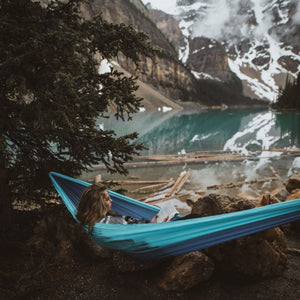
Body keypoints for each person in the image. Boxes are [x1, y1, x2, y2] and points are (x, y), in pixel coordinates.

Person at [76, 183, 168, 234]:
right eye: (107, 199)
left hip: (148, 226)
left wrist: (151, 224)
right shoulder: (109, 222)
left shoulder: (90, 220)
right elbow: (140, 233)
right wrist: (157, 227)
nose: (111, 201)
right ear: (98, 205)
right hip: (153, 231)